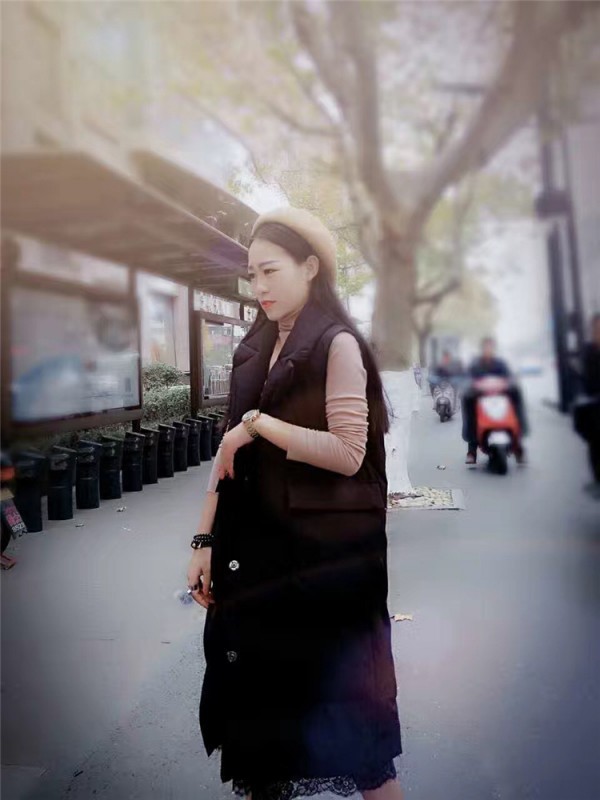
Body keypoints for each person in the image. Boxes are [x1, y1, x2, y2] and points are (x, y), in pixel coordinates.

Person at [186, 207, 404, 800]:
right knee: (263, 743)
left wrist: (258, 425)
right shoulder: (255, 347)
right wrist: (203, 541)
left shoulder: (338, 344)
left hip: (325, 575)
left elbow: (349, 453)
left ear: (310, 267)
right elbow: (226, 458)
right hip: (257, 565)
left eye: (271, 271)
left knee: (361, 742)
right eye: (252, 274)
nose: (259, 287)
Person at [462, 336, 528, 464]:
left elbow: (509, 377)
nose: (488, 349)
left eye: (490, 347)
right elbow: (468, 379)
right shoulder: (475, 365)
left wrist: (510, 383)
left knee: (516, 396)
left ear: (493, 349)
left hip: (500, 396)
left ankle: (518, 445)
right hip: (480, 397)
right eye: (486, 347)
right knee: (468, 402)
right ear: (482, 349)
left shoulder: (501, 364)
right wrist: (472, 386)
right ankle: (472, 450)